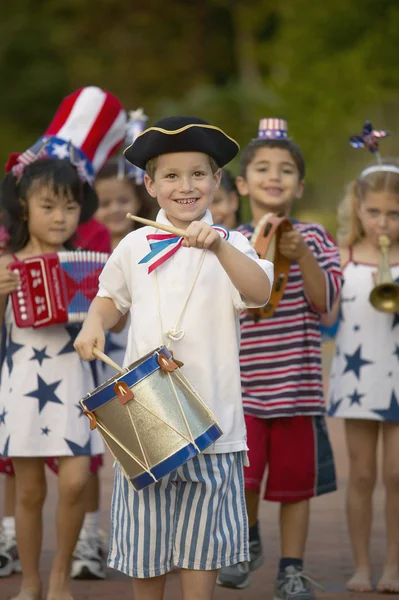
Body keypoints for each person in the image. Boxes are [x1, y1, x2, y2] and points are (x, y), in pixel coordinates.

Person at [74, 115, 273, 600]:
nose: (186, 186)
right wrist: (94, 321)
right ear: (150, 184)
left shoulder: (235, 245)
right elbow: (110, 300)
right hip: (145, 418)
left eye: (198, 174)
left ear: (217, 180)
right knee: (145, 547)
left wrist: (221, 249)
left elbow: (260, 292)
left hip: (214, 425)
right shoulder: (134, 244)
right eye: (171, 176)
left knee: (202, 551)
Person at [0, 86, 126, 600]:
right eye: (47, 205)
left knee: (75, 481)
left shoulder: (93, 262)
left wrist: (114, 306)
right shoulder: (5, 264)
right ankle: (31, 582)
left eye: (70, 207)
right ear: (23, 208)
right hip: (21, 382)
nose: (59, 217)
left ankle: (58, 578)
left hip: (75, 380)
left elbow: (115, 324)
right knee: (28, 491)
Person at [216, 118, 343, 599]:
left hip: (299, 391)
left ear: (300, 185)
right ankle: (247, 539)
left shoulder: (318, 237)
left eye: (286, 169)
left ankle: (292, 568)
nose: (275, 176)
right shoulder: (230, 241)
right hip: (242, 390)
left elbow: (325, 302)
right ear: (244, 184)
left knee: (295, 488)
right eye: (263, 168)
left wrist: (304, 256)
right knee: (243, 478)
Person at [323, 157, 399, 593]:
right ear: (358, 209)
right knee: (363, 475)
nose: (382, 222)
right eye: (373, 212)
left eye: (393, 213)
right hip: (357, 382)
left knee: (396, 476)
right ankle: (361, 567)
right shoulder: (344, 256)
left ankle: (391, 565)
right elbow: (328, 315)